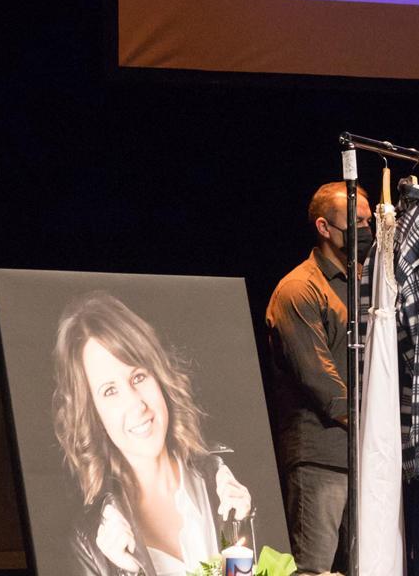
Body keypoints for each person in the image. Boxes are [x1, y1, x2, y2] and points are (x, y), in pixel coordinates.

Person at [52, 291, 254, 576]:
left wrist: (244, 525)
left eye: (138, 376)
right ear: (92, 413)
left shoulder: (231, 480)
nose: (136, 404)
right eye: (110, 391)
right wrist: (126, 572)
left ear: (159, 376)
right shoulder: (91, 545)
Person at [264, 182, 370, 576]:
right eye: (355, 223)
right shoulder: (299, 289)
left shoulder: (364, 286)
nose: (364, 230)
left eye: (368, 222)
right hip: (321, 457)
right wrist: (374, 425)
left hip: (362, 457)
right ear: (324, 227)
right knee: (314, 568)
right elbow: (319, 380)